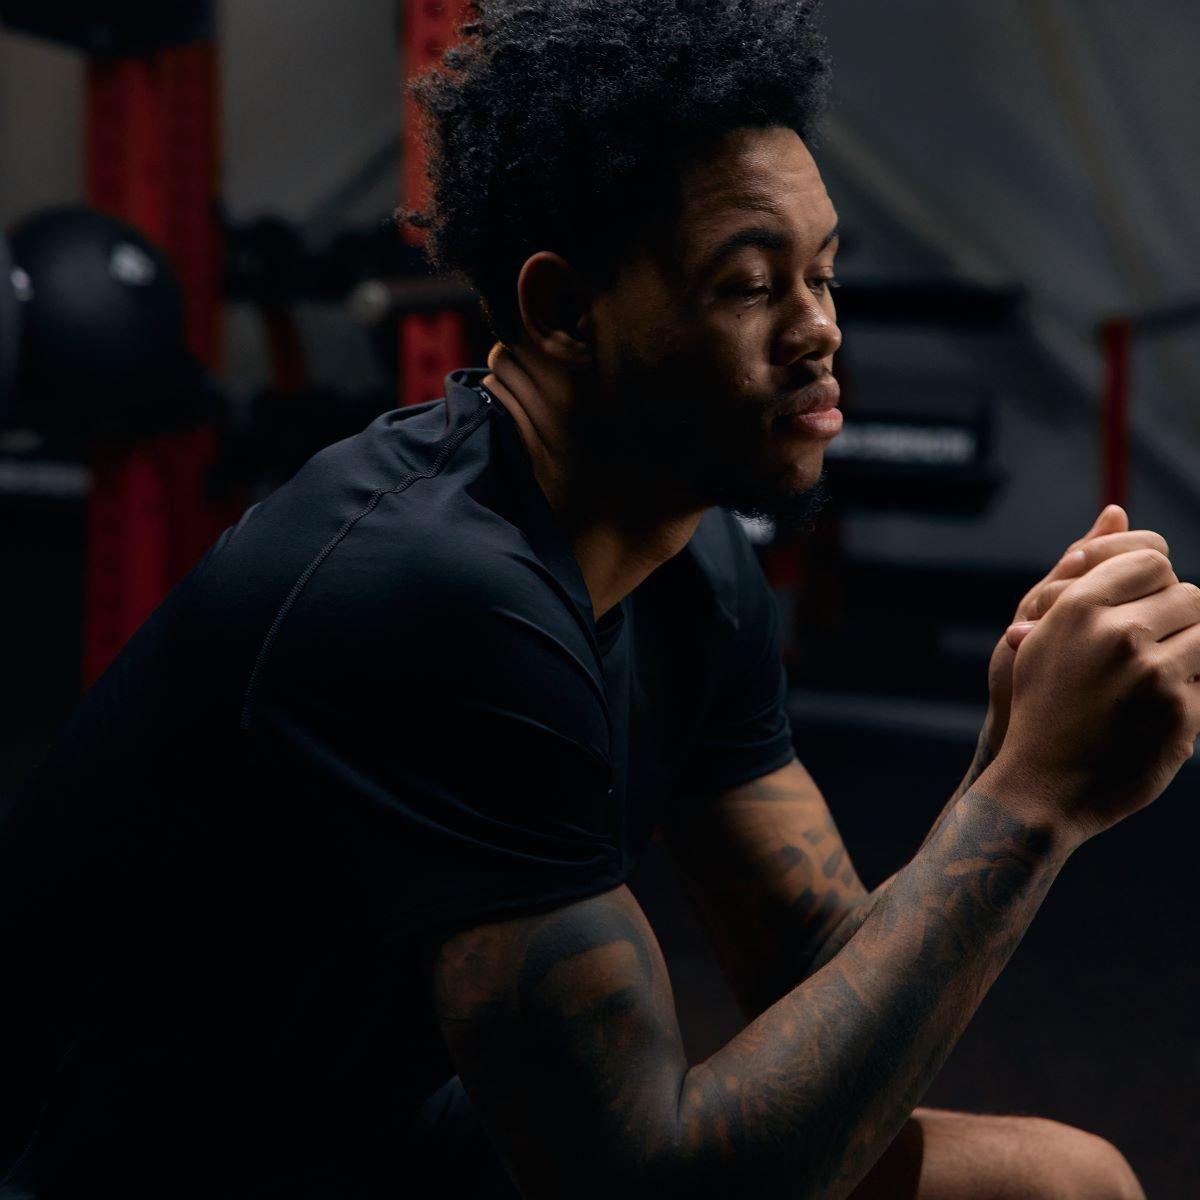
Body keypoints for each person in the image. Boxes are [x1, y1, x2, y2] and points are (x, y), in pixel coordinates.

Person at [0, 2, 1192, 1196]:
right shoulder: (432, 592)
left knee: (1064, 1182)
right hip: (130, 1166)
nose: (820, 328)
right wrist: (1033, 805)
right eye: (749, 284)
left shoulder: (693, 555)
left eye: (823, 273)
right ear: (564, 310)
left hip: (362, 1125)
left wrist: (1009, 746)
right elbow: (641, 1187)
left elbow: (826, 980)